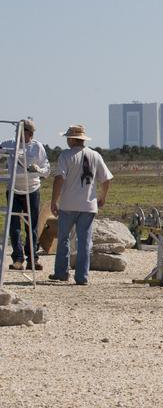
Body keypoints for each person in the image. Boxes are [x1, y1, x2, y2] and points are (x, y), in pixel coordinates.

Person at [49, 124, 113, 285]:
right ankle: (82, 276)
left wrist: (53, 200)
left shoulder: (65, 155)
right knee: (84, 241)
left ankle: (61, 273)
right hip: (88, 205)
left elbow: (59, 178)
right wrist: (102, 197)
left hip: (68, 204)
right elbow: (106, 179)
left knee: (63, 238)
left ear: (71, 139)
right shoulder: (95, 155)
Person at [0, 120, 50, 270]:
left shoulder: (37, 147)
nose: (27, 135)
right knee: (13, 225)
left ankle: (33, 258)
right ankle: (18, 258)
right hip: (14, 189)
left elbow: (46, 169)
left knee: (32, 226)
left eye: (28, 133)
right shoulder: (10, 143)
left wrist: (37, 170)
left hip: (32, 189)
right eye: (22, 132)